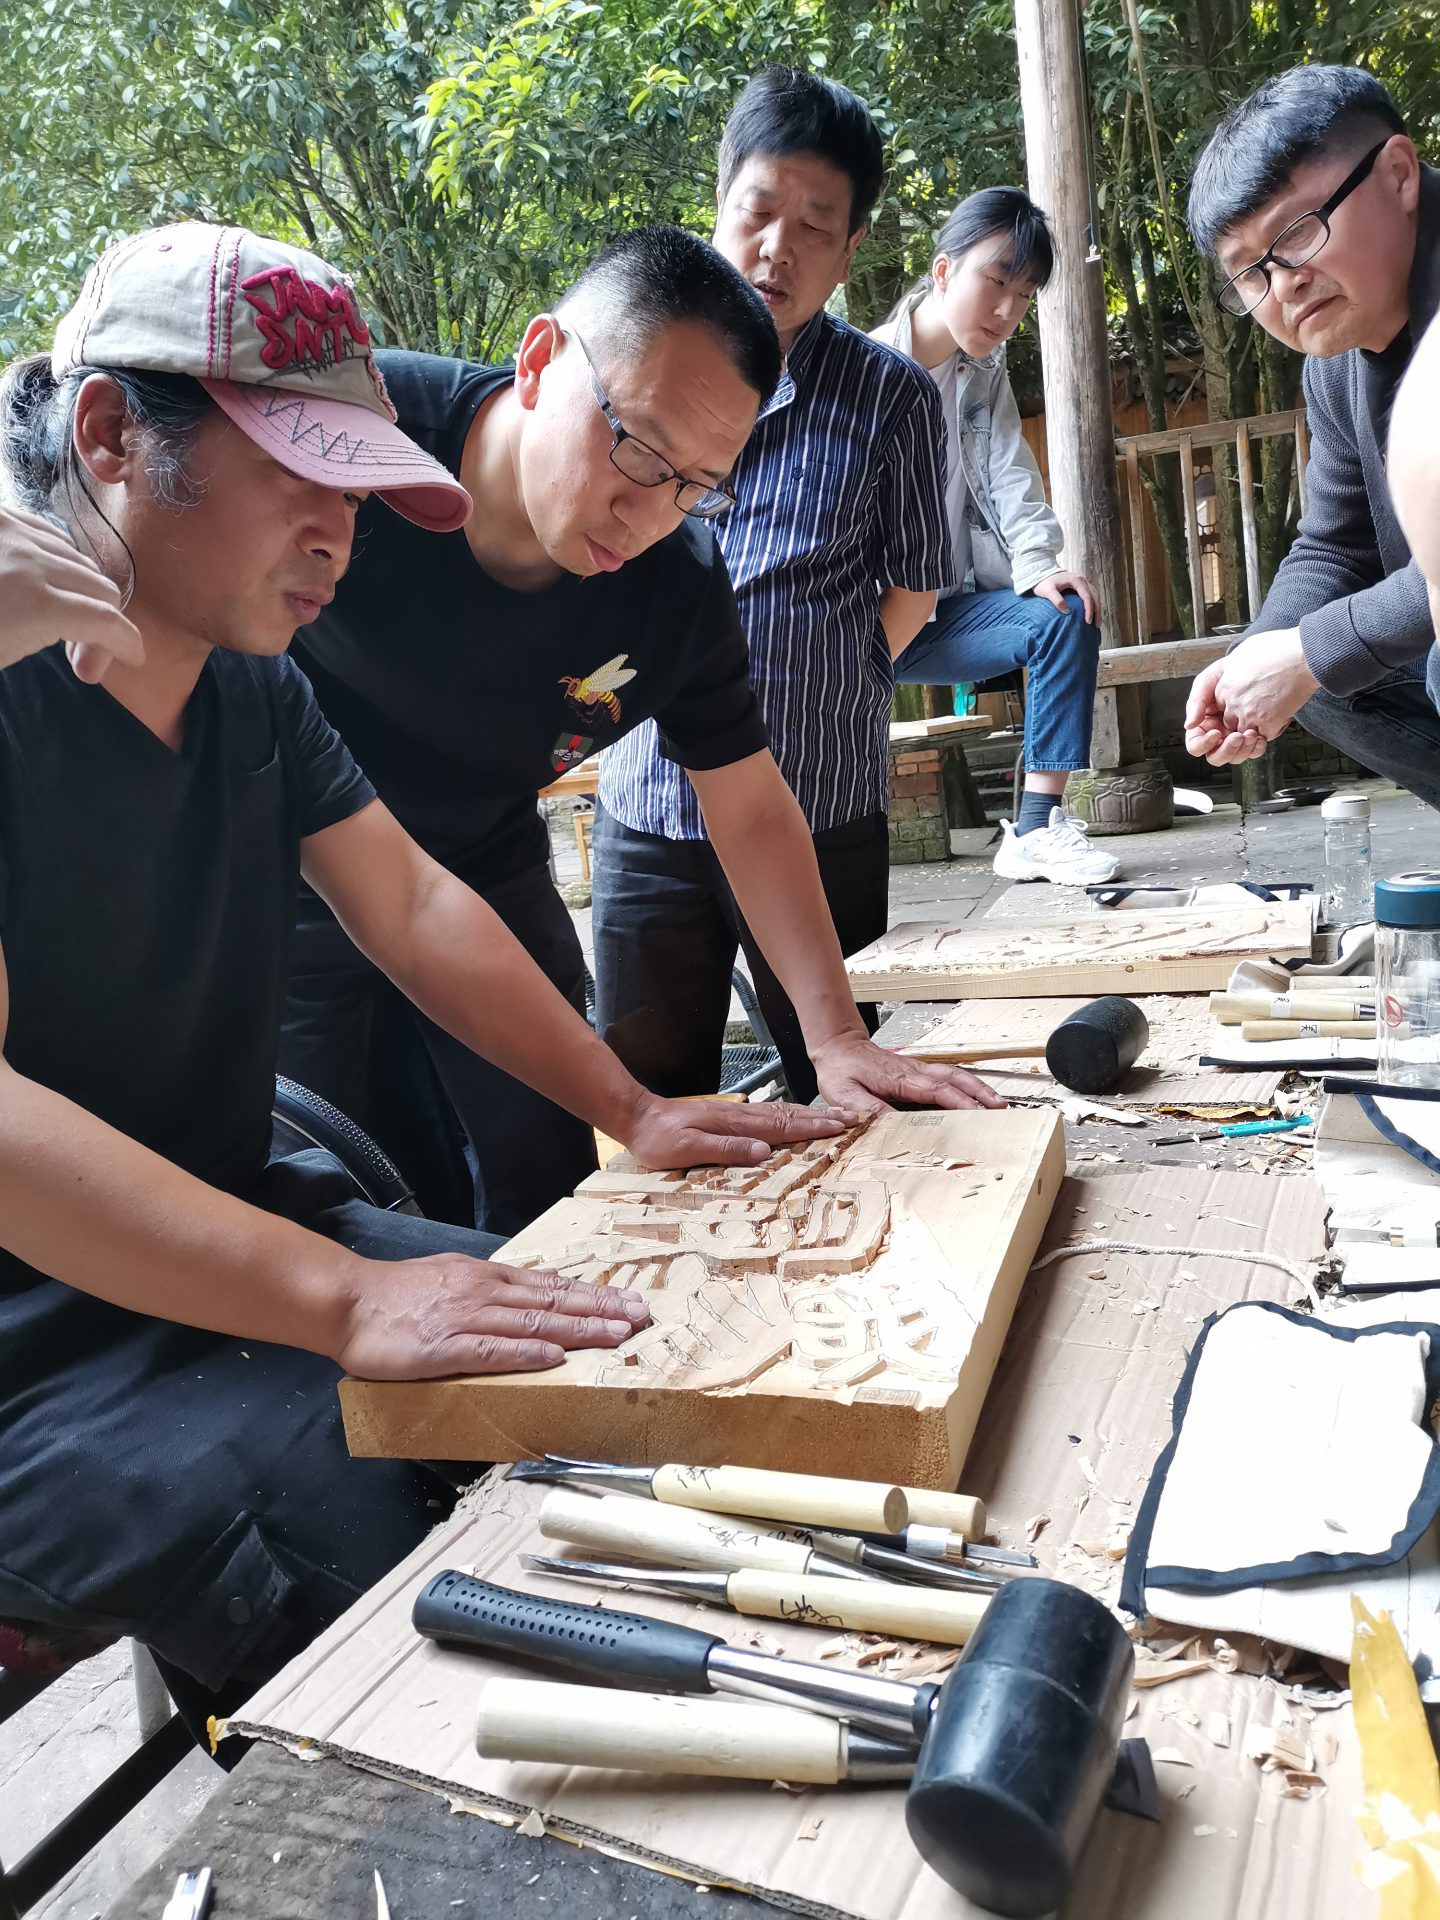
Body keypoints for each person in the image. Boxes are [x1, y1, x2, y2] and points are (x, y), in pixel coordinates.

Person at [0, 221, 848, 1736]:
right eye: (294, 476)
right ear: (112, 433)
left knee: (604, 1344)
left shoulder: (251, 674)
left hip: (230, 1207)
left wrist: (634, 1111)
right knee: (409, 1573)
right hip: (27, 1347)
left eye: (354, 487)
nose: (338, 533)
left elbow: (412, 899)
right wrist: (343, 1299)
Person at [287, 222, 999, 1237]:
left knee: (551, 1171)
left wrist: (834, 1032)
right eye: (637, 450)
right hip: (290, 864)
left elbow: (749, 805)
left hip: (484, 853)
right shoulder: (352, 443)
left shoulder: (674, 585)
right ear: (539, 361)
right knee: (346, 1186)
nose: (646, 513)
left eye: (697, 485)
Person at [594, 69, 1003, 1105]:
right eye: (759, 212)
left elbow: (916, 584)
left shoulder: (893, 397)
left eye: (815, 225)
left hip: (818, 803)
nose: (778, 248)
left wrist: (836, 679)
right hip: (648, 801)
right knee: (653, 1093)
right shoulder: (631, 363)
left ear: (853, 246)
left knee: (848, 1085)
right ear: (721, 201)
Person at [1181, 65, 1440, 803]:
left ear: (1397, 173)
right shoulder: (1338, 360)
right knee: (1316, 677)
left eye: (1296, 232)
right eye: (1250, 273)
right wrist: (1258, 658)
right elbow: (1336, 542)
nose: (1283, 284)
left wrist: (1307, 650)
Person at [870, 188, 1118, 887]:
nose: (1008, 310)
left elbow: (1010, 468)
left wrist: (1040, 564)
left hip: (944, 615)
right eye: (996, 282)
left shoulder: (982, 374)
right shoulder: (861, 370)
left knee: (1065, 615)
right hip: (861, 623)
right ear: (944, 270)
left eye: (1025, 293)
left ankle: (1037, 829)